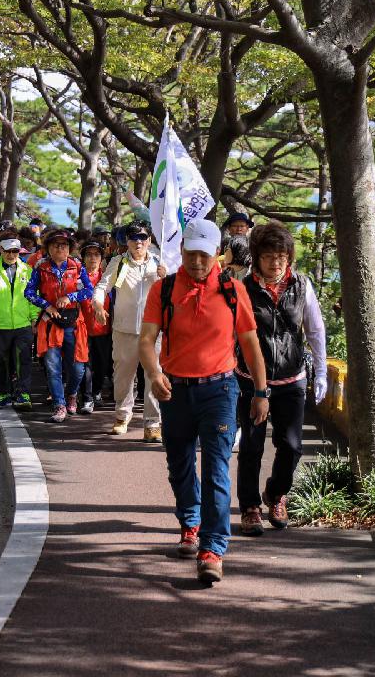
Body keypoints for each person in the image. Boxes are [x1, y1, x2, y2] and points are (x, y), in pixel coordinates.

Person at [138, 217, 269, 585]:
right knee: (179, 465)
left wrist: (260, 392)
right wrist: (154, 373)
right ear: (182, 251)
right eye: (192, 254)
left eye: (205, 255)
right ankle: (190, 524)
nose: (197, 262)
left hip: (220, 391)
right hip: (174, 391)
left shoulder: (232, 290)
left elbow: (250, 343)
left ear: (218, 255)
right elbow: (147, 340)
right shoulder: (163, 290)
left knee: (215, 470)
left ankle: (213, 549)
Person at [236, 221, 328, 536]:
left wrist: (321, 371)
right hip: (250, 379)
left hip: (291, 379)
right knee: (251, 445)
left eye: (281, 255)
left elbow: (315, 330)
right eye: (268, 256)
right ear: (256, 257)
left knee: (291, 446)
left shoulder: (302, 286)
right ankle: (249, 507)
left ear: (289, 256)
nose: (275, 262)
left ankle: (276, 494)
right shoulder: (242, 289)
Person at [93, 221, 167, 440]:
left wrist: (166, 277)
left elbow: (174, 292)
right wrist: (98, 305)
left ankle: (152, 423)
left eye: (143, 238)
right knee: (124, 376)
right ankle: (122, 416)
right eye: (134, 238)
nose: (139, 242)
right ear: (126, 241)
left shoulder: (159, 263)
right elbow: (102, 287)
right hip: (124, 329)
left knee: (155, 375)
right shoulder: (118, 262)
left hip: (153, 331)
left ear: (149, 241)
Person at [25, 228, 94, 423]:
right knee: (52, 366)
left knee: (78, 367)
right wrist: (47, 306)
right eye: (55, 244)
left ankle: (72, 394)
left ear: (70, 248)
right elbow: (29, 293)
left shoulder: (77, 267)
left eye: (63, 245)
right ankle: (59, 404)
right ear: (48, 247)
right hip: (50, 323)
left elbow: (89, 291)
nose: (59, 248)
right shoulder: (41, 267)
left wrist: (70, 296)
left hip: (74, 322)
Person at [0, 230, 40, 410]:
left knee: (23, 361)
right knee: (1, 361)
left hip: (23, 324)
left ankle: (23, 394)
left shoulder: (28, 270)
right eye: (7, 251)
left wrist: (35, 318)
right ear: (0, 250)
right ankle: (3, 394)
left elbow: (33, 296)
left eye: (15, 251)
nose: (11, 255)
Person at [78, 241, 112, 415]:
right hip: (82, 330)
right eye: (89, 254)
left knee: (102, 364)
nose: (93, 258)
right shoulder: (77, 277)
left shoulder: (108, 277)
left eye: (96, 255)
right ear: (83, 258)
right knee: (86, 365)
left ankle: (97, 391)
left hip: (104, 330)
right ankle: (87, 397)